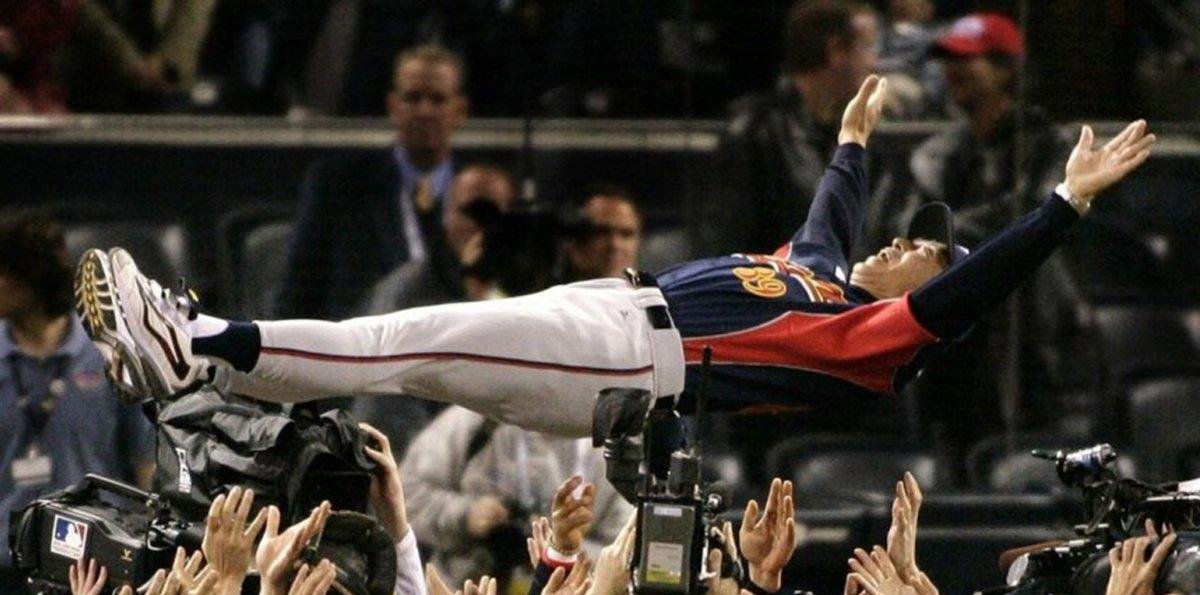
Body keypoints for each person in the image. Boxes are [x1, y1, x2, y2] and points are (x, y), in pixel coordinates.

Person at [74, 75, 1156, 442]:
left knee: (405, 343)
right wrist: (854, 143)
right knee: (395, 345)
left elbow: (977, 281)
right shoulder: (821, 277)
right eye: (929, 235)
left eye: (933, 254)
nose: (924, 245)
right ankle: (197, 351)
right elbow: (829, 219)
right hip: (611, 321)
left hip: (636, 364)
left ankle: (196, 336)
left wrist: (1061, 203)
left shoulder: (870, 340)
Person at [0, 210, 156, 593]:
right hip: (4, 565)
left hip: (92, 570)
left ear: (27, 279)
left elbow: (146, 466)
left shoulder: (108, 355)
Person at [277, 44, 468, 320]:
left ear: (460, 110)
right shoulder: (338, 185)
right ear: (393, 106)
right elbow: (298, 295)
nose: (425, 111)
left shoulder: (481, 190)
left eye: (438, 100)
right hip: (361, 346)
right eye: (413, 98)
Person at [702, 0, 879, 257]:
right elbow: (729, 241)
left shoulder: (849, 133)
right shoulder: (754, 131)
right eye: (868, 46)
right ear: (836, 50)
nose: (875, 60)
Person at [402, 407, 632, 584]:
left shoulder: (607, 450)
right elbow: (404, 494)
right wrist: (466, 514)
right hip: (465, 581)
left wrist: (562, 549)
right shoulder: (475, 419)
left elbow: (625, 558)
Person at [563, 184, 643, 282]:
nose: (615, 245)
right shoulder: (547, 296)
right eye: (602, 233)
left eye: (626, 234)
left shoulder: (657, 295)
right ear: (574, 243)